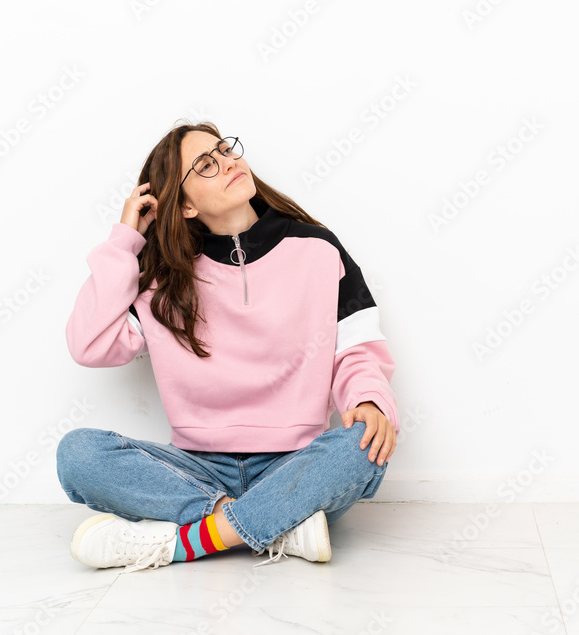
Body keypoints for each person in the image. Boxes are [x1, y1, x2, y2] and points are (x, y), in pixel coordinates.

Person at [56, 121, 399, 574]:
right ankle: (278, 523)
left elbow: (355, 349)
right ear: (186, 207)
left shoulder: (317, 249)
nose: (228, 162)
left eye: (225, 150)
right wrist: (125, 242)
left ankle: (188, 541)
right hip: (196, 472)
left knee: (361, 445)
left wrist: (368, 400)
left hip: (296, 464)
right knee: (77, 454)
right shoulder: (164, 281)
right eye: (205, 164)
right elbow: (89, 345)